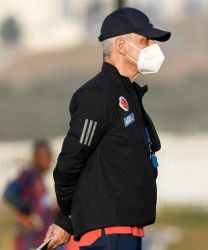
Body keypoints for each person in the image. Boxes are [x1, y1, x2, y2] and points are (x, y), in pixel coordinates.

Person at [45, 7, 171, 250]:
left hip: (127, 233)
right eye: (145, 40)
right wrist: (70, 215)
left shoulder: (127, 92)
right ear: (122, 46)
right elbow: (70, 164)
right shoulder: (98, 95)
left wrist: (66, 220)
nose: (153, 45)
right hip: (107, 237)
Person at [3, 140, 65, 250]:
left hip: (45, 238)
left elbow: (42, 205)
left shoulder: (41, 179)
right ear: (35, 157)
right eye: (43, 155)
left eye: (48, 155)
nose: (47, 159)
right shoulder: (28, 175)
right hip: (30, 240)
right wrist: (28, 210)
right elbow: (9, 193)